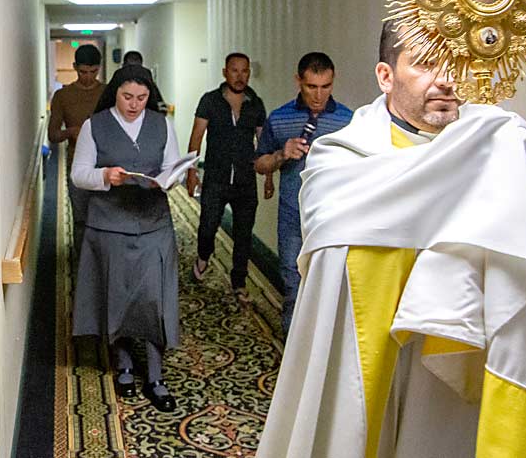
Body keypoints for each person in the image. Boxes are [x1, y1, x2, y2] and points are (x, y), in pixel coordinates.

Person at [255, 21, 526, 457]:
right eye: (425, 63)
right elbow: (331, 260)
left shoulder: (500, 146)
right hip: (372, 355)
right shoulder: (341, 157)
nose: (446, 78)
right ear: (386, 76)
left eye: (455, 61)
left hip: (466, 359)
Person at [70, 64, 183, 412]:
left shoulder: (162, 124)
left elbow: (173, 166)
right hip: (109, 226)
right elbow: (79, 175)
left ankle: (155, 375)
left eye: (142, 98)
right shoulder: (95, 126)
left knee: (154, 299)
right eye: (127, 96)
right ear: (115, 93)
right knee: (116, 297)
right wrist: (106, 175)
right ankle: (123, 366)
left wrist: (169, 179)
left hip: (153, 223)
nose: (134, 104)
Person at [254, 52, 352, 335]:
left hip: (333, 218)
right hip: (293, 216)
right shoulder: (280, 118)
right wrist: (281, 155)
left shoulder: (349, 121)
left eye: (326, 87)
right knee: (293, 285)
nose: (319, 96)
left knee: (334, 287)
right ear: (299, 81)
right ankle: (292, 357)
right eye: (311, 87)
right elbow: (260, 165)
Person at [186, 52, 266, 303]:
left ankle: (239, 282)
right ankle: (203, 256)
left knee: (244, 235)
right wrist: (191, 172)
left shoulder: (255, 103)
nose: (240, 76)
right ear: (225, 72)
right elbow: (196, 137)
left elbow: (262, 142)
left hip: (246, 180)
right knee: (208, 226)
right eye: (235, 70)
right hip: (216, 177)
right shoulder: (210, 101)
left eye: (245, 71)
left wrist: (269, 176)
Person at [48, 43, 105, 254]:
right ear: (74, 67)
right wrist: (71, 131)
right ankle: (83, 267)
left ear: (98, 68)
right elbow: (52, 135)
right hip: (78, 164)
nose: (88, 77)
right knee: (81, 220)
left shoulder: (108, 93)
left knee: (105, 222)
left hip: (105, 165)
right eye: (83, 72)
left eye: (93, 72)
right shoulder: (63, 96)